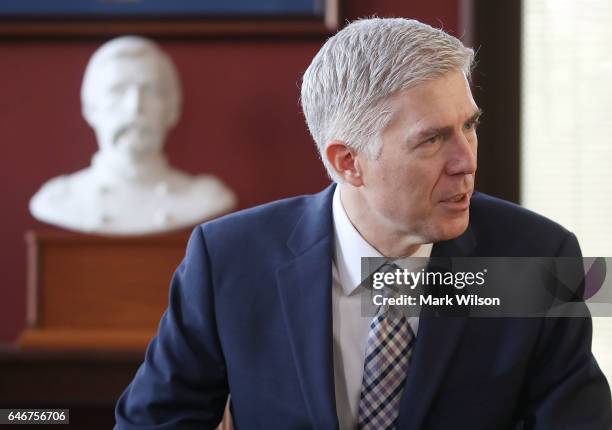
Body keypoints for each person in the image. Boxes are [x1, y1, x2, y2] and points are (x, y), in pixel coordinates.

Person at [114, 18, 612, 429]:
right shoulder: (229, 259)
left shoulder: (539, 259)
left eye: (469, 126)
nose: (467, 162)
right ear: (348, 162)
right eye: (433, 139)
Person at [29, 36, 236, 235]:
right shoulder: (59, 200)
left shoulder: (205, 198)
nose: (134, 107)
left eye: (151, 91)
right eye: (117, 91)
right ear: (90, 107)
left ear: (172, 109)